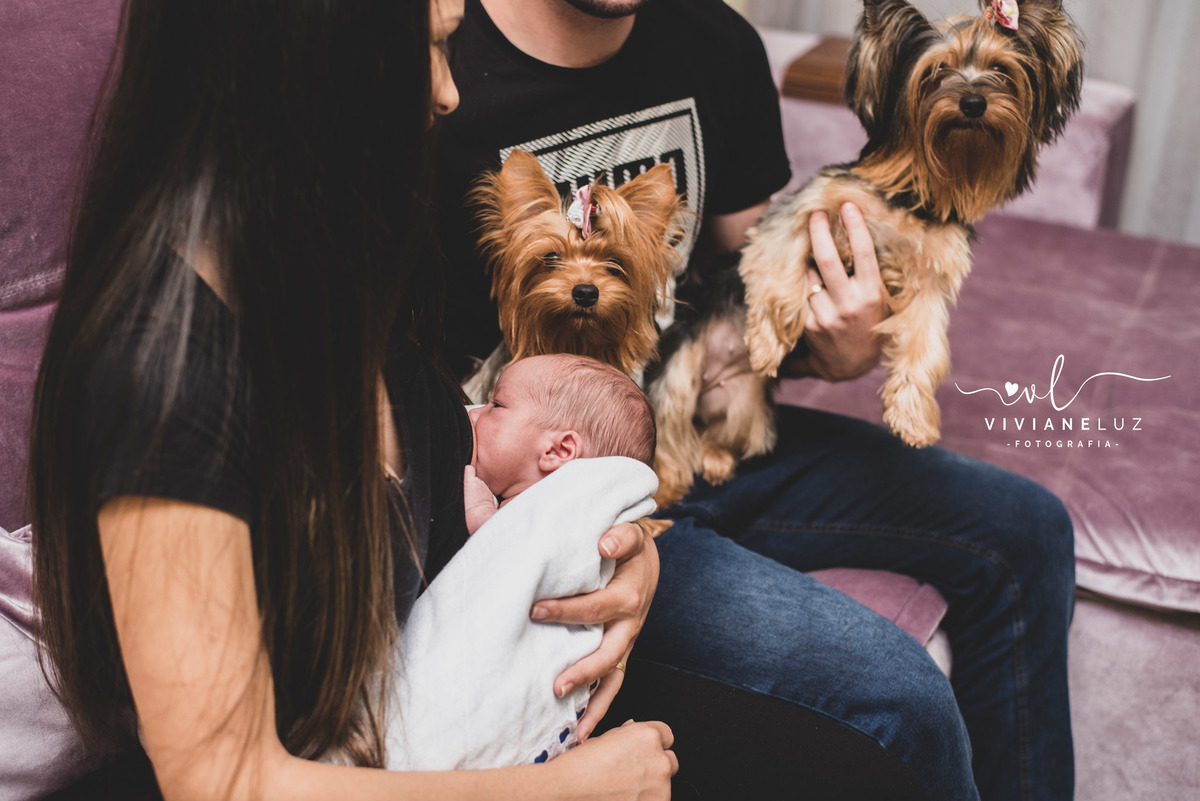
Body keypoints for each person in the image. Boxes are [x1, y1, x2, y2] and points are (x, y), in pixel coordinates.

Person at [26, 0, 676, 798]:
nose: (449, 94)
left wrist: (612, 552)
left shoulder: (351, 315)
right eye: (433, 50)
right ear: (313, 62)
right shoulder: (162, 373)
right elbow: (227, 782)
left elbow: (476, 553)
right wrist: (567, 788)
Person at [433, 0, 1076, 799]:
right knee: (900, 698)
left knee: (1029, 529)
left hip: (697, 428)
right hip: (561, 505)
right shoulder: (427, 63)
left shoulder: (715, 41)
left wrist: (831, 345)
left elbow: (755, 280)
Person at [464, 354, 655, 533]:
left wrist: (480, 513)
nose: (473, 414)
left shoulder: (558, 520)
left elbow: (503, 552)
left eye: (497, 405)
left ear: (558, 451)